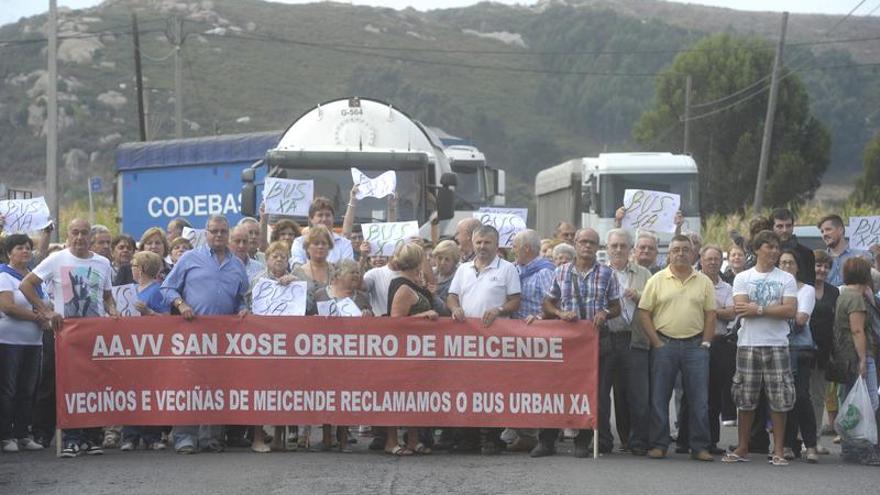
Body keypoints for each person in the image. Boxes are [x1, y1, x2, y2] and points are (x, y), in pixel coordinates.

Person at [20, 218, 118, 458]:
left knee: (93, 386)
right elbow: (26, 285)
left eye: (84, 233)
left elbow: (107, 296)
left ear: (91, 237)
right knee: (68, 386)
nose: (80, 237)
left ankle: (92, 438)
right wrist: (46, 311)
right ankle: (71, 439)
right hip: (65, 335)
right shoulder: (57, 259)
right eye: (75, 232)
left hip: (94, 334)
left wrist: (113, 309)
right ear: (68, 234)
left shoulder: (103, 263)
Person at [161, 215, 249, 454]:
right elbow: (167, 288)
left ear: (228, 233)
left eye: (223, 231)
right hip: (192, 334)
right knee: (188, 385)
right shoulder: (190, 258)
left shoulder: (237, 265)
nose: (218, 235)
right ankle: (184, 438)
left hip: (223, 338)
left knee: (216, 386)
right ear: (206, 233)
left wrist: (242, 309)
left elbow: (241, 298)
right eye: (214, 231)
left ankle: (211, 438)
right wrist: (181, 304)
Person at [531, 228, 620, 458]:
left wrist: (605, 313)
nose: (587, 246)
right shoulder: (561, 271)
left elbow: (616, 307)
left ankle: (583, 441)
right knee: (556, 391)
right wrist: (560, 313)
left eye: (592, 242)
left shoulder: (607, 273)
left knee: (591, 392)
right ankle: (547, 441)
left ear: (598, 247)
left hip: (594, 342)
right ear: (576, 244)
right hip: (567, 343)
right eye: (583, 242)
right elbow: (548, 303)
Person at [637, 235, 716, 462]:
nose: (681, 253)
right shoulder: (657, 280)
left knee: (699, 400)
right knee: (659, 398)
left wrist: (706, 343)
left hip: (695, 347)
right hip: (665, 345)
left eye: (685, 249)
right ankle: (659, 444)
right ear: (669, 254)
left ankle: (699, 447)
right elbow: (644, 312)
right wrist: (656, 342)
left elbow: (711, 315)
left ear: (693, 254)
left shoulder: (704, 281)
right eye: (676, 250)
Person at [724, 230, 797, 466]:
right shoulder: (743, 277)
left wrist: (759, 309)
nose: (774, 251)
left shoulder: (786, 278)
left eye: (776, 247)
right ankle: (742, 446)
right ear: (757, 249)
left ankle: (779, 449)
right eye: (769, 247)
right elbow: (741, 308)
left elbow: (790, 310)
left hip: (777, 344)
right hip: (748, 344)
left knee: (779, 398)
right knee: (745, 397)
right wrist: (773, 308)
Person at [447, 225, 521, 455]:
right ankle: (468, 438)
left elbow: (515, 300)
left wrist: (499, 310)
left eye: (487, 242)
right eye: (478, 242)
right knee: (467, 387)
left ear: (496, 245)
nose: (482, 246)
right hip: (466, 341)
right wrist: (455, 308)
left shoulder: (508, 269)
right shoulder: (463, 269)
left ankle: (492, 437)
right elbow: (451, 296)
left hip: (494, 340)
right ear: (472, 243)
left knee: (492, 389)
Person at [384, 243, 438, 456]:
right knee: (397, 396)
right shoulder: (404, 288)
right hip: (402, 351)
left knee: (414, 396)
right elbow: (395, 321)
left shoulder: (412, 284)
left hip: (416, 351)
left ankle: (413, 440)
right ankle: (391, 441)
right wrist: (422, 316)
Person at [248, 241, 301, 453]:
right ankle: (258, 437)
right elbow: (248, 305)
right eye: (274, 256)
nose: (279, 260)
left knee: (284, 389)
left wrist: (295, 285)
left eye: (283, 257)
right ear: (267, 259)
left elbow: (306, 307)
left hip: (287, 342)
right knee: (260, 389)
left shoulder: (296, 280)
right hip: (262, 341)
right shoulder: (258, 280)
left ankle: (280, 437)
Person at [313, 259, 371, 452]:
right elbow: (307, 319)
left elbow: (372, 327)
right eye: (351, 272)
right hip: (324, 354)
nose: (356, 275)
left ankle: (344, 438)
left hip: (351, 355)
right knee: (326, 395)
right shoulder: (320, 294)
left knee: (346, 395)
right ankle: (326, 438)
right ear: (338, 275)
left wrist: (368, 316)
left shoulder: (362, 298)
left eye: (358, 272)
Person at [604, 228, 651, 454]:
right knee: (610, 394)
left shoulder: (644, 273)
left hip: (634, 338)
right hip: (606, 338)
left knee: (638, 393)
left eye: (623, 246)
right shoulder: (600, 272)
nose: (618, 250)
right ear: (607, 248)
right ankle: (613, 440)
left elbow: (654, 302)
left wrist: (638, 296)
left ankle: (639, 441)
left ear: (631, 249)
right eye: (614, 246)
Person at [0, 235, 49, 453]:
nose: (25, 251)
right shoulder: (4, 275)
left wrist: (47, 315)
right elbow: (8, 307)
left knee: (28, 390)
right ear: (9, 253)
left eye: (28, 247)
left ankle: (22, 434)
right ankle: (6, 435)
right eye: (20, 247)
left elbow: (45, 303)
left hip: (34, 342)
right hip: (9, 341)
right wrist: (38, 317)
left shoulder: (34, 277)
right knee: (8, 390)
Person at [830, 257, 880, 465]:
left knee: (853, 401)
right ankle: (864, 449)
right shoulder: (856, 299)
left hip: (844, 355)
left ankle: (849, 447)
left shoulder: (844, 295)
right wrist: (863, 359)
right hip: (858, 355)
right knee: (868, 403)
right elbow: (857, 330)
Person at [119, 251, 171, 452]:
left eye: (133, 265)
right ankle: (130, 436)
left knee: (151, 391)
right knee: (130, 392)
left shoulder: (158, 291)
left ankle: (152, 435)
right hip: (130, 348)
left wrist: (149, 313)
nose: (131, 268)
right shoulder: (128, 290)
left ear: (141, 269)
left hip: (151, 349)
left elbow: (167, 319)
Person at [776, 249, 819, 463]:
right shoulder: (776, 287)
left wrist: (777, 312)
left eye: (790, 262)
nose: (786, 266)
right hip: (779, 347)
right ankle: (788, 444)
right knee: (784, 398)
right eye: (783, 262)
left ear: (798, 266)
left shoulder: (807, 290)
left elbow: (801, 319)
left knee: (801, 396)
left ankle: (810, 445)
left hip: (800, 349)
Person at [699, 245, 736, 454]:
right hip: (696, 342)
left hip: (719, 343)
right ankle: (687, 438)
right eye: (709, 259)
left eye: (716, 259)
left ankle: (711, 441)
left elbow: (731, 313)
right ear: (701, 260)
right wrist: (718, 310)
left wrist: (709, 310)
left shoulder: (727, 288)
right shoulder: (694, 282)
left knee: (714, 395)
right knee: (693, 394)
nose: (713, 262)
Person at [812, 250, 840, 444]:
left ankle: (814, 440)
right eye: (818, 265)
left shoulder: (833, 292)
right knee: (801, 396)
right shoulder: (803, 287)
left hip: (823, 350)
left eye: (826, 267)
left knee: (818, 396)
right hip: (802, 349)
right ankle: (798, 439)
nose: (822, 270)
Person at [290, 197, 353, 266]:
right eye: (320, 215)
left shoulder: (345, 244)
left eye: (328, 215)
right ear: (311, 219)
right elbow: (297, 267)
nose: (324, 219)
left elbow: (347, 269)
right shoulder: (299, 243)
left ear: (333, 218)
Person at [819, 214, 871, 287]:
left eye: (828, 229)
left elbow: (873, 282)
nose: (824, 234)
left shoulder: (861, 255)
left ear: (841, 230)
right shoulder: (820, 258)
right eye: (822, 232)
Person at [292, 225, 337, 303]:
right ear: (307, 248)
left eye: (324, 243)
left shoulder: (337, 271)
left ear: (329, 247)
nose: (320, 247)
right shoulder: (297, 273)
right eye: (316, 244)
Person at [771, 208, 816, 285]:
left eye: (788, 226)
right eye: (780, 226)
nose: (785, 230)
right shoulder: (766, 253)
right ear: (772, 227)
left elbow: (810, 283)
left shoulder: (806, 253)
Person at [430, 240, 459, 317]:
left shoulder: (457, 278)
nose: (442, 262)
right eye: (439, 258)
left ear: (454, 262)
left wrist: (434, 296)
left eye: (447, 259)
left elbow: (447, 312)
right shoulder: (431, 273)